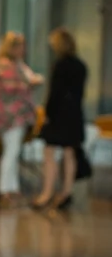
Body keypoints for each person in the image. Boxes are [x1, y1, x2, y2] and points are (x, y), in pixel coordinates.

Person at [32, 27, 88, 210]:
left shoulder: (60, 65)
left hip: (58, 117)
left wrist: (47, 114)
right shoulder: (81, 66)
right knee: (69, 154)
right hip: (74, 116)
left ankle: (46, 193)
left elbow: (55, 94)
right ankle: (66, 192)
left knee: (49, 153)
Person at [0, 32, 44, 208]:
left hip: (18, 117)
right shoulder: (4, 66)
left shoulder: (18, 65)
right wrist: (29, 84)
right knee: (10, 153)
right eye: (20, 46)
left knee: (13, 153)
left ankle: (12, 187)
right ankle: (4, 189)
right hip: (9, 117)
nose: (23, 50)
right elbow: (10, 87)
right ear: (12, 47)